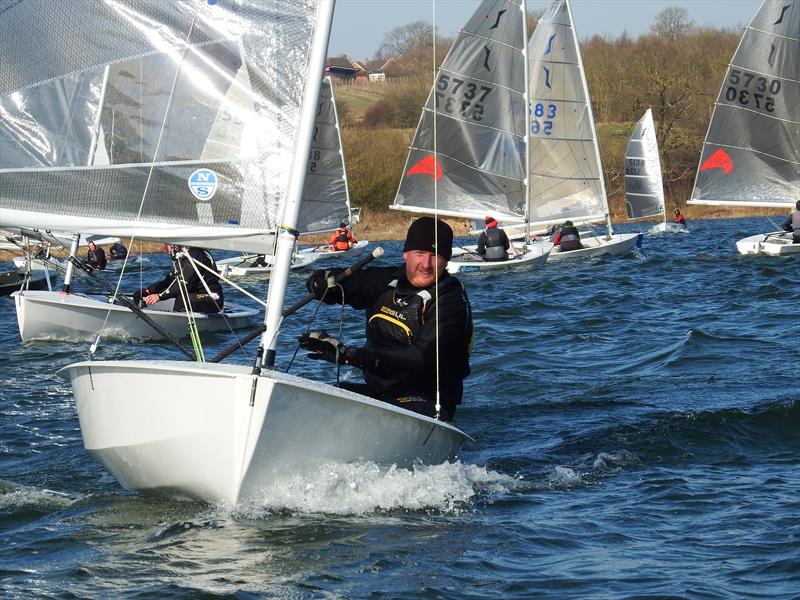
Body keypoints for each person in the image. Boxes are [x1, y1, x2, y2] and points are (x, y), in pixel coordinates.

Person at [300, 217, 473, 421]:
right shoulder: (387, 280)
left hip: (427, 402)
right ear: (405, 254)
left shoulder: (452, 300)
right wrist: (320, 282)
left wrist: (351, 355)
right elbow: (351, 283)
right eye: (419, 253)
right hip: (379, 393)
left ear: (446, 260)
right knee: (316, 401)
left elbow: (422, 357)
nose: (426, 264)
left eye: (435, 256)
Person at [136, 244, 223, 313]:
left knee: (182, 299)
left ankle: (174, 325)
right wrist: (148, 291)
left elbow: (184, 283)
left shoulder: (196, 255)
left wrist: (159, 296)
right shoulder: (182, 258)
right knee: (180, 296)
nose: (165, 248)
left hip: (212, 298)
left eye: (167, 245)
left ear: (174, 245)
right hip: (194, 296)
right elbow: (168, 281)